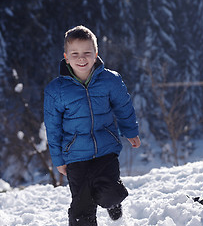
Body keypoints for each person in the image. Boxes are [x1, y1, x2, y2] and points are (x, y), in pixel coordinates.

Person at [43, 25, 141, 226]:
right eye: (75, 53)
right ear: (66, 57)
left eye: (87, 53)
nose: (81, 58)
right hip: (75, 155)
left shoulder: (110, 80)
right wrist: (58, 159)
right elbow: (52, 127)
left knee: (111, 193)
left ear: (96, 54)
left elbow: (123, 107)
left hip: (106, 148)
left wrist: (130, 131)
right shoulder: (56, 90)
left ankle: (113, 204)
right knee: (82, 206)